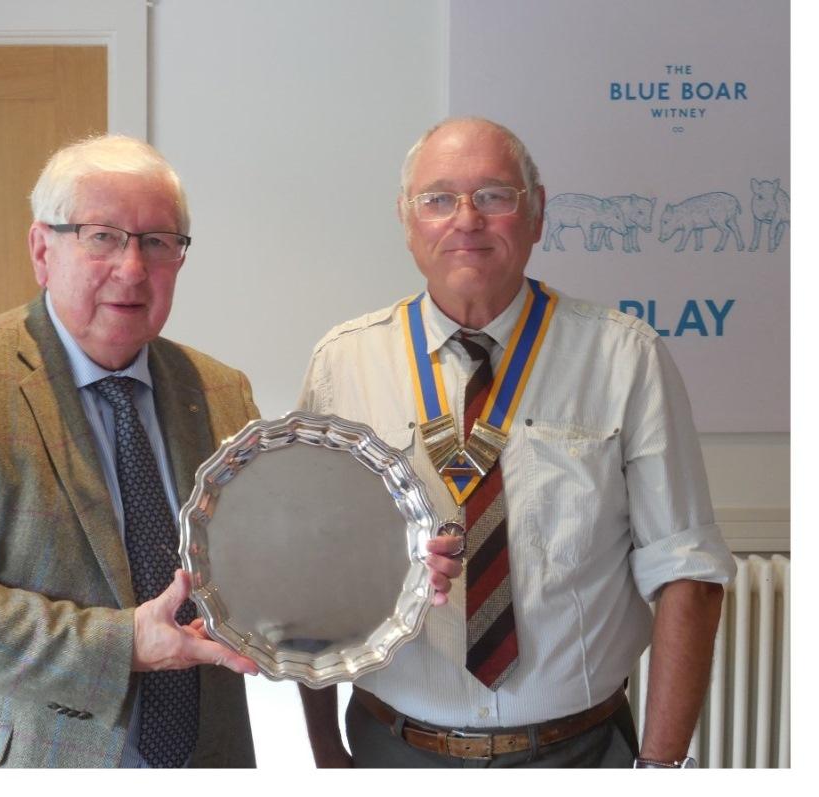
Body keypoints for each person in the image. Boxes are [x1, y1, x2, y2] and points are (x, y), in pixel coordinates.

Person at [297, 117, 736, 768]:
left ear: (537, 215)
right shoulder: (343, 364)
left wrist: (662, 767)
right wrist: (327, 750)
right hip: (393, 747)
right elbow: (311, 572)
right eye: (439, 198)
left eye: (494, 196)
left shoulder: (624, 356)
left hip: (581, 753)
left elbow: (688, 573)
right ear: (407, 218)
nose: (466, 218)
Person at [0, 135, 264, 768]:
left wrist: (380, 571)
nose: (133, 268)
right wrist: (121, 644)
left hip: (201, 757)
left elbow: (259, 562)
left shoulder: (221, 390)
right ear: (42, 251)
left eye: (157, 241)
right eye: (101, 236)